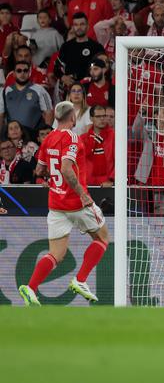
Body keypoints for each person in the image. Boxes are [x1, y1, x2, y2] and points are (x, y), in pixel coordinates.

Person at [19, 101, 108, 306]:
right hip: (76, 202)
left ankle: (30, 288)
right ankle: (81, 279)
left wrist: (51, 178)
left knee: (56, 254)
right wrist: (82, 194)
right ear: (73, 117)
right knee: (103, 238)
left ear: (57, 118)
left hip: (56, 204)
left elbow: (40, 171)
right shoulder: (73, 138)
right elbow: (67, 168)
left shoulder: (48, 138)